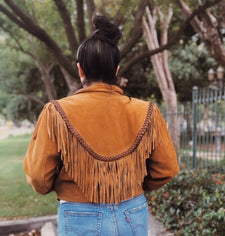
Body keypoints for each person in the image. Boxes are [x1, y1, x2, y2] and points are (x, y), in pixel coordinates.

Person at [24, 15, 179, 236]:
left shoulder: (56, 112)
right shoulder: (147, 112)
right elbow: (167, 169)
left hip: (78, 214)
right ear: (116, 71)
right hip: (133, 210)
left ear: (80, 70)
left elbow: (39, 178)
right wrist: (130, 186)